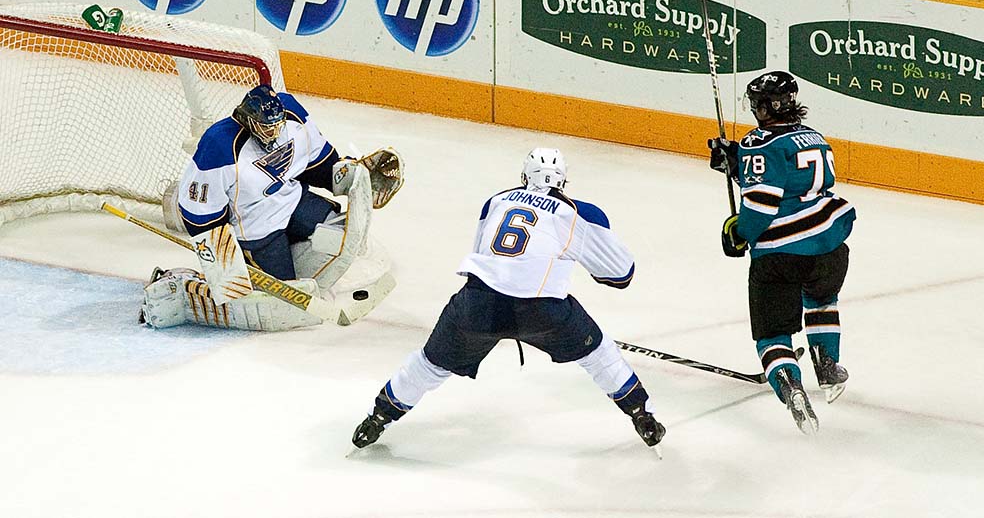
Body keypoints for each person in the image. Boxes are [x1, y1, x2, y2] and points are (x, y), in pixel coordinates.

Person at [350, 148, 666, 450]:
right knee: (598, 354)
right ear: (563, 181)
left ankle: (377, 419)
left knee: (429, 364)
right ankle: (642, 415)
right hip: (543, 312)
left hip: (478, 305)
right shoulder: (578, 212)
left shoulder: (495, 201)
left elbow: (483, 255)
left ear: (524, 176)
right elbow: (621, 275)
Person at [140, 84, 404, 331]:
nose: (274, 133)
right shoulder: (219, 146)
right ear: (247, 121)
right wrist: (225, 263)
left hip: (293, 202)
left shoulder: (293, 115)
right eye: (265, 128)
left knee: (340, 234)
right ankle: (178, 279)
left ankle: (294, 271)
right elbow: (198, 214)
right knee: (283, 299)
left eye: (277, 126)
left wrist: (352, 176)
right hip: (256, 231)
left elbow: (318, 163)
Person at [708, 71, 856, 434]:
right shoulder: (815, 138)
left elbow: (761, 205)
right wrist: (738, 163)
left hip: (781, 254)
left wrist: (739, 234)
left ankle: (791, 386)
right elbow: (788, 179)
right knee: (821, 299)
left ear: (764, 106)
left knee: (773, 335)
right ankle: (827, 366)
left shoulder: (758, 143)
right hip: (830, 246)